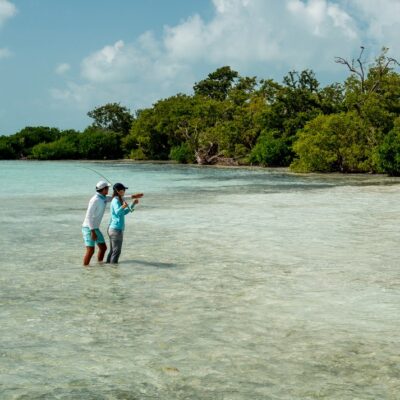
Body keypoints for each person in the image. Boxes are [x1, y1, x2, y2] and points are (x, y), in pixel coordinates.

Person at [82, 180, 143, 266]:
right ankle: (86, 269)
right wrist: (92, 231)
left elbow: (119, 197)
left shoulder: (103, 197)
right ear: (103, 189)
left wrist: (133, 197)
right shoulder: (95, 200)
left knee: (103, 248)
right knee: (91, 250)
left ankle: (101, 266)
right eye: (107, 188)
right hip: (88, 228)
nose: (109, 189)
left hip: (95, 228)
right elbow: (89, 217)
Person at [106, 182, 139, 264]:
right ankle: (114, 271)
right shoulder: (115, 200)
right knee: (116, 252)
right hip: (116, 229)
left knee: (113, 251)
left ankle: (108, 267)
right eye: (124, 190)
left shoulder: (118, 200)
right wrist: (123, 206)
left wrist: (133, 204)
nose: (124, 191)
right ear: (119, 191)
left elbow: (123, 213)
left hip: (114, 229)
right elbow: (117, 212)